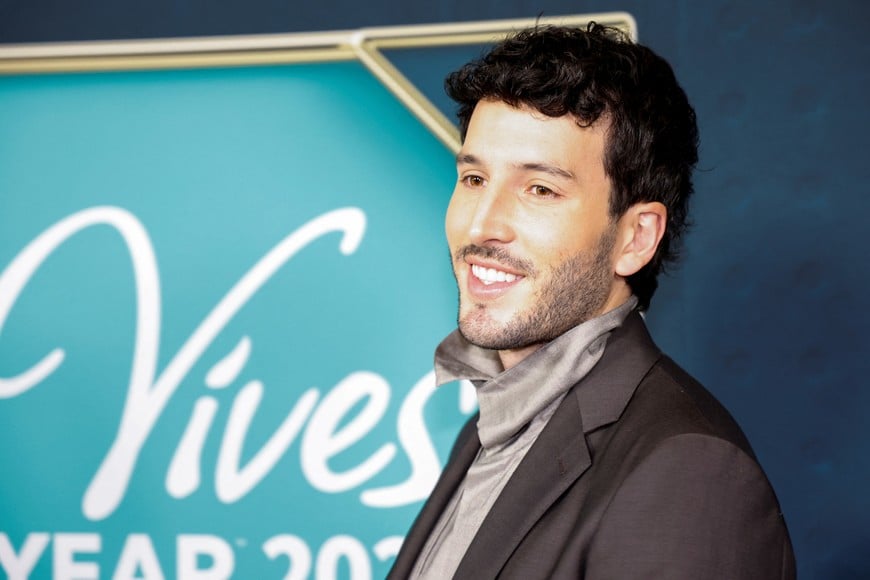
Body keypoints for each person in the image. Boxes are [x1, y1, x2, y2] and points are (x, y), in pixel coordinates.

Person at [387, 23, 795, 579]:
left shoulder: (687, 472)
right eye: (475, 177)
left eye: (540, 189)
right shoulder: (489, 426)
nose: (482, 224)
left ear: (635, 238)